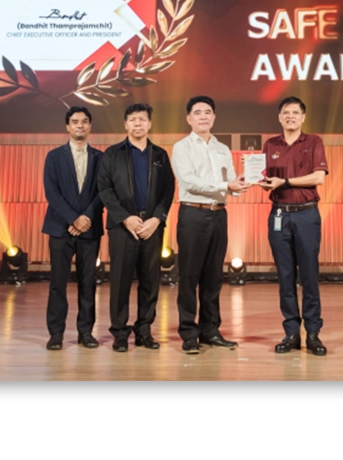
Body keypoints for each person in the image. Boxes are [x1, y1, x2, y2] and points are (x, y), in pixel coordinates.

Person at [171, 96, 250, 354]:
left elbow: (229, 182)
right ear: (189, 118)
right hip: (193, 214)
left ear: (214, 117)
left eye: (207, 112)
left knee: (213, 277)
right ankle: (188, 332)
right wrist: (227, 185)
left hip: (219, 214)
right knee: (189, 276)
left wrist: (240, 183)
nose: (203, 116)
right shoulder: (181, 147)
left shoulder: (222, 148)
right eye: (197, 112)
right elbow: (189, 181)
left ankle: (210, 330)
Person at [96, 103, 176, 353]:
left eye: (142, 119)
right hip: (123, 227)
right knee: (120, 281)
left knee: (150, 281)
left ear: (149, 124)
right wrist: (125, 218)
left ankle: (144, 331)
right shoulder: (112, 154)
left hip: (151, 226)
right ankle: (120, 333)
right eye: (132, 119)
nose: (137, 123)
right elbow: (105, 189)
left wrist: (157, 219)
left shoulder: (160, 155)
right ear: (126, 124)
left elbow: (168, 189)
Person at [259, 97, 329, 356]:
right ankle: (291, 333)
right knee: (285, 276)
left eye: (295, 112)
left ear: (303, 117)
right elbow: (265, 179)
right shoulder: (270, 144)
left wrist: (285, 182)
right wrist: (255, 179)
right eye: (285, 112)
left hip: (306, 215)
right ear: (279, 117)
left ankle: (313, 333)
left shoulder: (314, 142)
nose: (290, 116)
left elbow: (318, 177)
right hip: (279, 215)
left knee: (309, 275)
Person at [42, 106, 105, 350]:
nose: (80, 125)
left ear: (90, 126)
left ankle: (86, 332)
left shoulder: (101, 158)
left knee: (88, 282)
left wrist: (85, 218)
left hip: (90, 228)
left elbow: (103, 192)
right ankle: (56, 333)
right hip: (60, 228)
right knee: (58, 282)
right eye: (75, 121)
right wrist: (73, 219)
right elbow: (52, 193)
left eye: (84, 121)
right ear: (68, 126)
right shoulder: (54, 157)